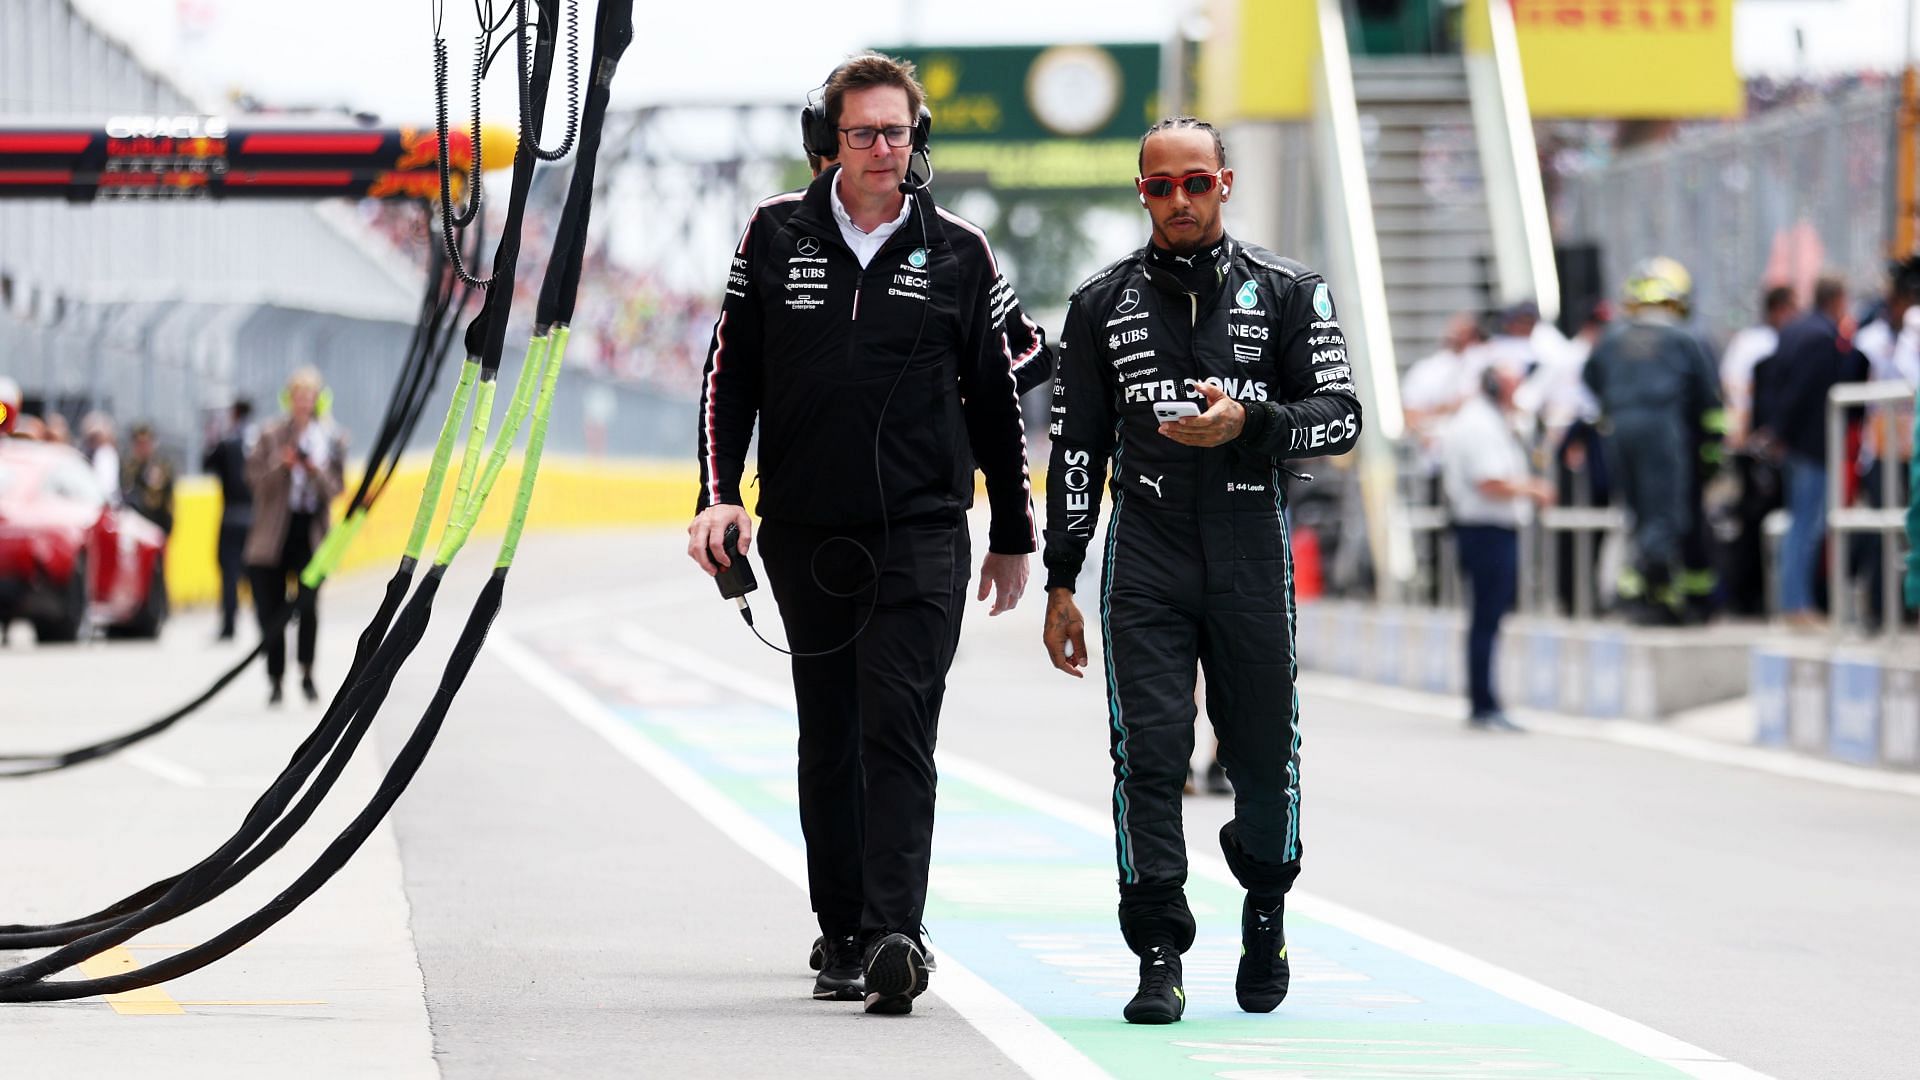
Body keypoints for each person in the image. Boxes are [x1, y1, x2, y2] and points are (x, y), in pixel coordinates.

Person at [687, 53, 1042, 1016]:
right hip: (805, 531)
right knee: (830, 737)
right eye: (863, 133)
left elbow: (1000, 396)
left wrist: (1014, 531)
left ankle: (897, 932)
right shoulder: (771, 231)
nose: (884, 150)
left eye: (898, 133)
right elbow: (732, 376)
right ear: (827, 141)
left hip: (924, 531)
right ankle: (840, 932)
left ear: (917, 139)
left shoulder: (962, 250)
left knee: (898, 728)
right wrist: (720, 496)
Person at [1040, 116, 1362, 1025]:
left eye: (1194, 183)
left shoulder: (1292, 290)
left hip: (1250, 543)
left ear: (1226, 183)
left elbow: (1341, 417)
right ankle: (1157, 952)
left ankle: (1266, 904)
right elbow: (1075, 449)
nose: (1178, 200)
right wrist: (1064, 577)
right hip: (1144, 552)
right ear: (1140, 192)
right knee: (1148, 756)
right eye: (1159, 187)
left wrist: (1248, 425)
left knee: (1263, 757)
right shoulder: (1100, 303)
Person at [1582, 257, 1725, 625]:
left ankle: (1640, 590)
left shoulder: (1612, 338)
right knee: (1666, 513)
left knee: (1638, 509)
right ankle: (1658, 595)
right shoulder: (1683, 338)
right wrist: (1713, 447)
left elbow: (1589, 377)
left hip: (1619, 431)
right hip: (1663, 431)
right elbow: (1709, 399)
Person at [1753, 274, 1869, 627]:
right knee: (1806, 526)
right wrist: (1782, 433)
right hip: (1811, 446)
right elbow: (1803, 392)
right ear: (1836, 300)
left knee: (1799, 524)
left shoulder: (1793, 330)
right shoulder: (1821, 337)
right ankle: (1796, 605)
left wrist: (1774, 433)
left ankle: (1794, 602)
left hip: (1794, 445)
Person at [1441, 367, 1553, 729]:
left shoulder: (1489, 420)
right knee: (1486, 619)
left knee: (1488, 619)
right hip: (1485, 529)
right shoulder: (1478, 424)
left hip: (1489, 529)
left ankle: (1485, 701)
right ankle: (1484, 704)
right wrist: (1534, 488)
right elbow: (1489, 481)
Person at [245, 368, 345, 705]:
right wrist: (283, 464)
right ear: (289, 399)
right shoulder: (271, 435)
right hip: (275, 533)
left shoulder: (331, 439)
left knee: (308, 605)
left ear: (317, 399)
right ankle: (275, 678)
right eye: (298, 396)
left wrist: (315, 471)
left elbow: (336, 490)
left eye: (309, 396)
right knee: (271, 610)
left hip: (310, 531)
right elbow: (256, 483)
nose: (303, 403)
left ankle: (306, 671)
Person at [203, 399, 256, 641]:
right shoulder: (258, 441)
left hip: (233, 515)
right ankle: (264, 623)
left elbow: (207, 464)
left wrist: (214, 436)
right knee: (257, 574)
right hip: (256, 518)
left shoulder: (229, 442)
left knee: (230, 572)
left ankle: (229, 624)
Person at [120, 422, 175, 535]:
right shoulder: (127, 466)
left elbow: (162, 501)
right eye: (138, 443)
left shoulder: (162, 466)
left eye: (145, 443)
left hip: (156, 525)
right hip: (133, 527)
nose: (142, 448)